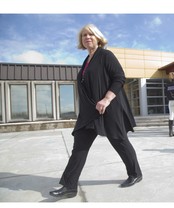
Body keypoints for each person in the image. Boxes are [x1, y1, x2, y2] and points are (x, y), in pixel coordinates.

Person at [49, 24, 142, 198]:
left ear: (98, 37)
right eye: (84, 35)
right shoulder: (86, 62)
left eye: (90, 34)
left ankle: (135, 173)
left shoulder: (106, 55)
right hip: (90, 112)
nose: (87, 37)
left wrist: (106, 99)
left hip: (110, 108)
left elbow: (119, 77)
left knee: (119, 140)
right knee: (79, 146)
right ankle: (69, 186)